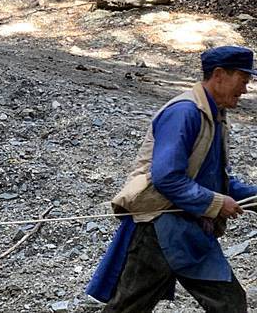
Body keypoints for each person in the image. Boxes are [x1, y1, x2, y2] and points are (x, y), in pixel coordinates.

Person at [86, 45, 257, 313]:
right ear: (220, 75)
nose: (245, 89)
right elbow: (167, 177)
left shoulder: (215, 115)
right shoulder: (185, 112)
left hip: (191, 232)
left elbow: (214, 180)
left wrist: (251, 196)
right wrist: (216, 203)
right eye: (243, 81)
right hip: (159, 229)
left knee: (230, 304)